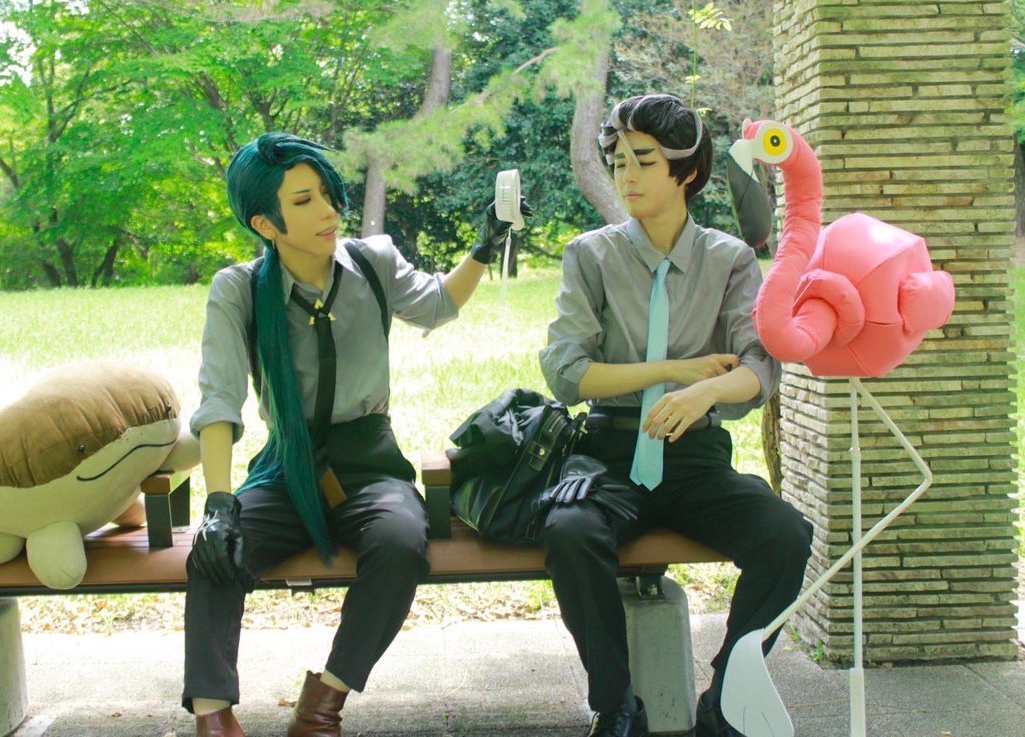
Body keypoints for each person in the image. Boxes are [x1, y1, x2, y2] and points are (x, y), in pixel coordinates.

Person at [184, 133, 518, 737]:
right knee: (215, 556)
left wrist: (484, 245)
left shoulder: (371, 262)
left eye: (326, 193)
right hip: (286, 467)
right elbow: (218, 402)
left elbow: (438, 304)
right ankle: (213, 716)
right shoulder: (239, 290)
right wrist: (218, 505)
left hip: (369, 464)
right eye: (304, 200)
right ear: (265, 223)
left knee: (401, 542)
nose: (328, 210)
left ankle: (322, 705)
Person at [538, 94, 813, 737]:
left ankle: (727, 696)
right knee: (570, 532)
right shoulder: (591, 255)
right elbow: (567, 372)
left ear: (686, 172)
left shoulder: (729, 259)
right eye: (618, 161)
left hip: (696, 459)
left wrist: (702, 395)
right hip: (609, 454)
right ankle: (616, 704)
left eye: (644, 161)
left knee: (785, 534)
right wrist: (673, 371)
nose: (626, 175)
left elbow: (760, 365)